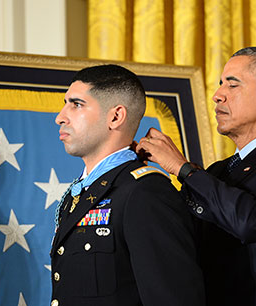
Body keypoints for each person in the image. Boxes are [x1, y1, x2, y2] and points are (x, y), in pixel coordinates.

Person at [136, 47, 256, 306]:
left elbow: (252, 220)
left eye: (232, 85)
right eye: (220, 85)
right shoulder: (217, 172)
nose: (217, 96)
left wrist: (182, 168)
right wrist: (128, 169)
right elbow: (175, 236)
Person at [50, 64, 205, 306]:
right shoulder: (79, 192)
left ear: (115, 116)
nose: (60, 116)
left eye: (76, 104)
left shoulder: (145, 192)